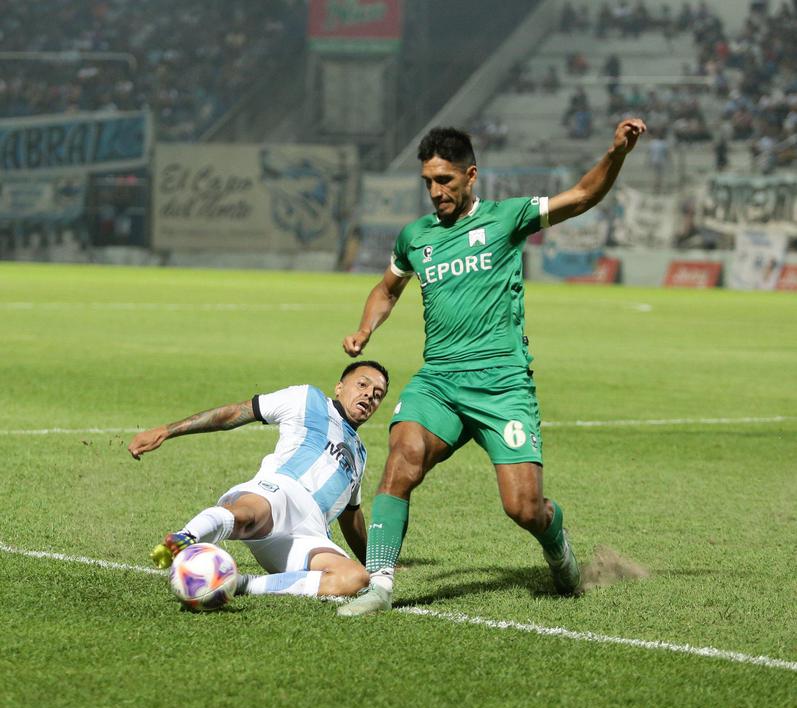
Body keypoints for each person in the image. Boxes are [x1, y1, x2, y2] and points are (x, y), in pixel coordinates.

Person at [337, 118, 646, 616]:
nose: (435, 192)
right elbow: (387, 288)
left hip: (502, 386)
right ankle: (380, 583)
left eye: (445, 181)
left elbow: (583, 196)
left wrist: (617, 154)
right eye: (428, 183)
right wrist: (366, 328)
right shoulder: (415, 236)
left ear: (471, 175)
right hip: (439, 380)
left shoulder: (507, 218)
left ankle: (559, 546)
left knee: (523, 508)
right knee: (401, 458)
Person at [127, 361, 389, 599]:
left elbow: (351, 515)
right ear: (340, 387)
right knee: (249, 513)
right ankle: (186, 537)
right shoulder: (307, 398)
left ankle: (238, 584)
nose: (369, 395)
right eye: (362, 384)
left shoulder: (360, 454)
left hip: (310, 533)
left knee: (354, 579)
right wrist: (167, 431)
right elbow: (235, 413)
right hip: (280, 491)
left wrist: (374, 565)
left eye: (378, 395)